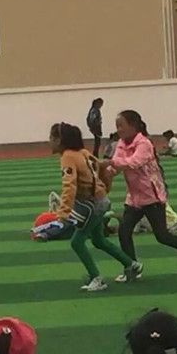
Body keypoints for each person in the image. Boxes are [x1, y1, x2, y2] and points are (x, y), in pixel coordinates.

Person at [98, 110, 177, 280]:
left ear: (133, 126)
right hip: (134, 198)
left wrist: (110, 163)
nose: (118, 129)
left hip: (152, 197)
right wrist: (105, 172)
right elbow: (116, 167)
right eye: (117, 126)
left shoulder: (144, 144)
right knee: (124, 232)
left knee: (162, 236)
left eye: (121, 125)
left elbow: (134, 162)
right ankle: (131, 268)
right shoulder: (121, 144)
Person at [49, 122, 141, 292]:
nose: (50, 141)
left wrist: (63, 212)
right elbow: (99, 166)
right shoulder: (83, 152)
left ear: (59, 140)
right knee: (98, 240)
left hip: (92, 205)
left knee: (77, 242)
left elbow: (69, 185)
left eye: (52, 138)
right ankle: (131, 264)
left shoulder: (68, 157)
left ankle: (96, 278)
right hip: (101, 200)